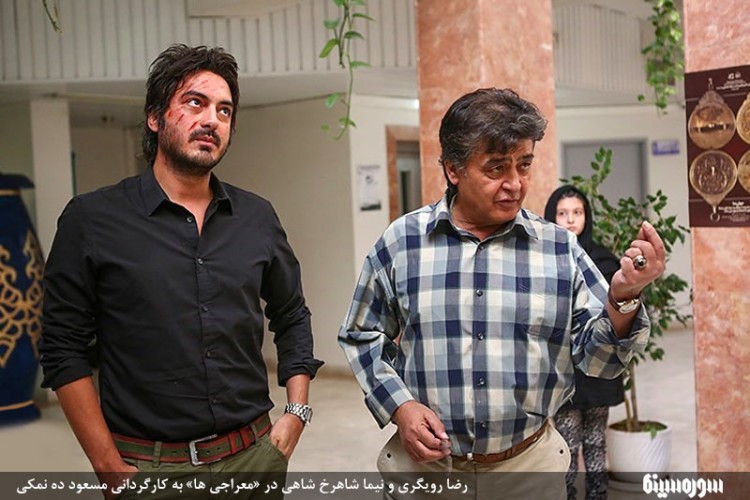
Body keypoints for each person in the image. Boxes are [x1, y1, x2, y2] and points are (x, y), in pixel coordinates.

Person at [338, 88, 664, 499]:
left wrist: (623, 298)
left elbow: (600, 361)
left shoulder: (559, 249)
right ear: (454, 169)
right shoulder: (403, 242)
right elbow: (361, 334)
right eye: (496, 168)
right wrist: (399, 406)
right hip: (427, 472)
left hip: (528, 471)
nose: (515, 184)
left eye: (524, 165)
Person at [39, 44, 323, 499]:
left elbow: (291, 314)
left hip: (254, 459)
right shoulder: (91, 219)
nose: (212, 119)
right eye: (195, 102)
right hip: (149, 470)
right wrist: (105, 463)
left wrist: (296, 412)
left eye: (224, 110)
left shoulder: (257, 217)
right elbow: (62, 346)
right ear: (155, 117)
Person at [544, 185, 624, 500]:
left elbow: (614, 313)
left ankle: (598, 495)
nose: (570, 220)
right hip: (564, 367)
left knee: (595, 441)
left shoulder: (604, 260)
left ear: (586, 216)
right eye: (562, 213)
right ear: (552, 217)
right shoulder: (543, 260)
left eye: (577, 212)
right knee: (566, 444)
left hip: (598, 366)